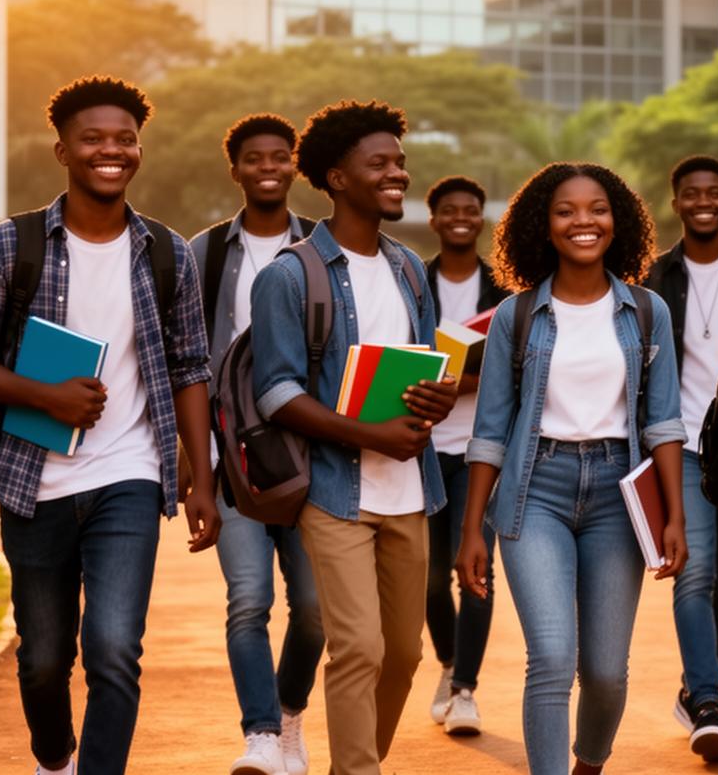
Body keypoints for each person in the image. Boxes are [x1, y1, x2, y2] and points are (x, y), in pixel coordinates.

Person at [0, 75, 218, 775]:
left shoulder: (166, 252)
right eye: (93, 139)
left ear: (139, 151)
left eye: (124, 139)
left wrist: (202, 481)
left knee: (116, 647)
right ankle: (54, 760)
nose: (111, 150)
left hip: (129, 473)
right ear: (62, 150)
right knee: (42, 658)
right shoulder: (11, 245)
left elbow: (190, 368)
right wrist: (44, 397)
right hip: (35, 475)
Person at [248, 100, 459, 775]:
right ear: (337, 178)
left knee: (403, 654)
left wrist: (438, 395)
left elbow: (423, 364)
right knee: (359, 648)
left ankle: (351, 766)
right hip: (335, 491)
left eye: (400, 162)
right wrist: (366, 431)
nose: (398, 173)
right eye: (381, 164)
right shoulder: (289, 273)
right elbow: (275, 391)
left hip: (409, 487)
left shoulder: (408, 269)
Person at [456, 162, 689, 775]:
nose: (583, 221)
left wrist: (675, 519)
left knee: (607, 672)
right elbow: (489, 434)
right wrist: (471, 529)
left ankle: (589, 763)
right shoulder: (518, 315)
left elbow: (663, 422)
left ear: (619, 221)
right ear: (543, 224)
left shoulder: (646, 311)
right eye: (566, 211)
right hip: (537, 490)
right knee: (553, 658)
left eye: (597, 209)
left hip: (619, 495)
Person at [188, 112, 322, 775]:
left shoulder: (325, 251)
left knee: (317, 610)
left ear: (294, 164)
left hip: (312, 459)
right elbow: (185, 363)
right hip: (233, 461)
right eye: (253, 158)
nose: (267, 167)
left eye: (280, 156)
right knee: (249, 600)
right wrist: (196, 472)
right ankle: (262, 734)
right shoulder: (205, 254)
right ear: (235, 168)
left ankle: (290, 713)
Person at [642, 154, 718, 761]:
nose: (703, 202)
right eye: (692, 193)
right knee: (693, 569)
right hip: (681, 444)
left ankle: (693, 687)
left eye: (714, 192)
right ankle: (709, 703)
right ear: (677, 202)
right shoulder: (654, 278)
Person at [421, 174, 510, 736]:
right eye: (449, 210)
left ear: (482, 219)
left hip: (481, 450)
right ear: (433, 219)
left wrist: (462, 382)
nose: (460, 217)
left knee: (475, 569)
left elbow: (520, 368)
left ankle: (465, 690)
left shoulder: (505, 290)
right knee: (428, 579)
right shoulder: (411, 281)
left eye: (470, 209)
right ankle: (450, 663)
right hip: (419, 449)